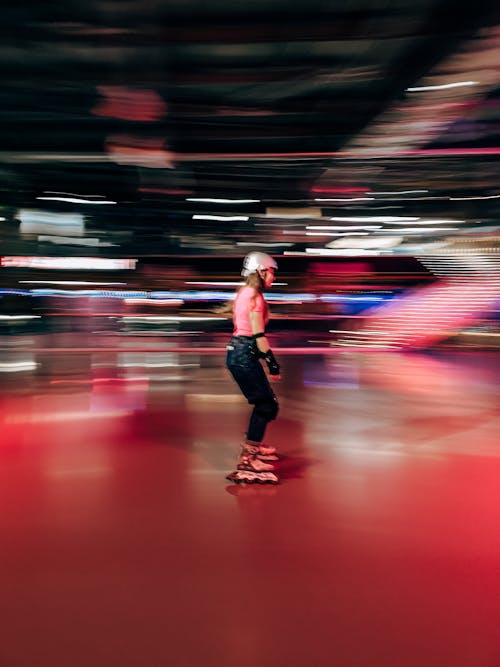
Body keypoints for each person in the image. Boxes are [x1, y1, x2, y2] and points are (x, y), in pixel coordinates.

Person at [225, 252, 281, 484]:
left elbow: (242, 328)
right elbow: (258, 336)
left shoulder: (243, 293)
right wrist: (272, 364)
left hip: (236, 352)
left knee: (266, 402)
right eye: (272, 272)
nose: (274, 277)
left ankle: (255, 443)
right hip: (245, 355)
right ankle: (248, 458)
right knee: (266, 404)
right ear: (260, 271)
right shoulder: (255, 297)